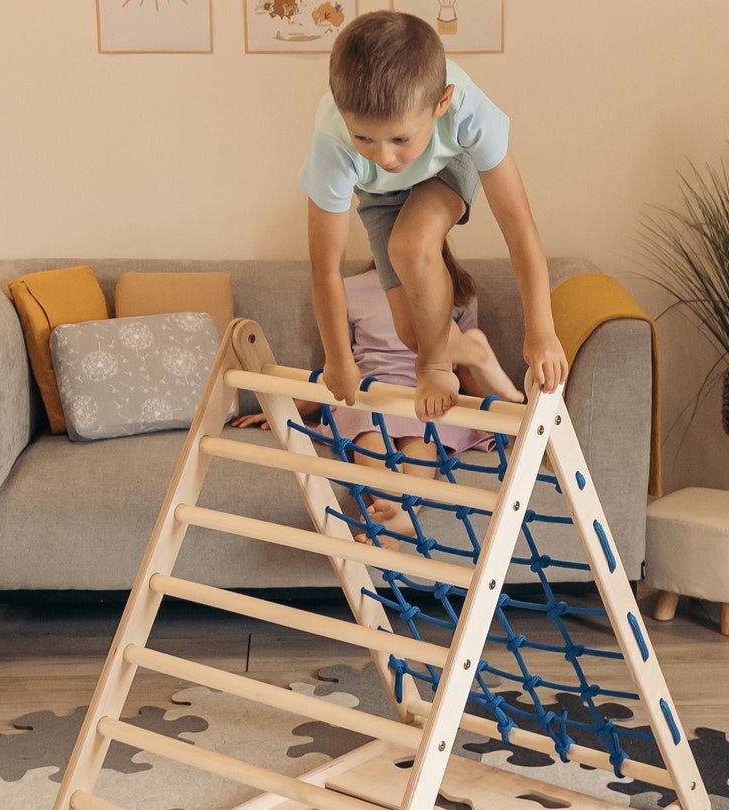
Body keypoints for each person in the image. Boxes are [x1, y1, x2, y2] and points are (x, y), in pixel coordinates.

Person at [299, 9, 568, 423]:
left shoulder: (467, 111)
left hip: (448, 162)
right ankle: (471, 349)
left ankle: (437, 367)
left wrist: (541, 329)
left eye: (400, 138)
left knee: (411, 244)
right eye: (363, 137)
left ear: (441, 101)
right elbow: (325, 266)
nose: (384, 156)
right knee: (414, 333)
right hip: (379, 195)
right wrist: (337, 360)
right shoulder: (333, 145)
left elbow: (517, 223)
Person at [231, 253, 519, 539]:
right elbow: (338, 369)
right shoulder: (350, 288)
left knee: (423, 434)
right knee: (368, 428)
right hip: (368, 392)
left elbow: (466, 370)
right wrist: (285, 407)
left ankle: (400, 518)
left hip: (427, 391)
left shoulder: (456, 288)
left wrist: (501, 410)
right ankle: (396, 512)